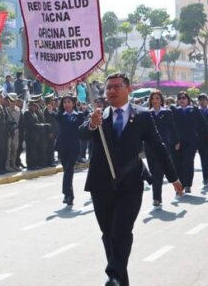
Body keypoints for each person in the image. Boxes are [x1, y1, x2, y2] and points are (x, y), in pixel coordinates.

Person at [81, 73, 183, 286]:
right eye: (108, 87)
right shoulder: (98, 115)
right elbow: (82, 134)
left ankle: (113, 273)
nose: (111, 91)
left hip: (130, 183)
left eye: (117, 86)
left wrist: (173, 177)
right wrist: (91, 124)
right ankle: (119, 280)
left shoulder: (143, 116)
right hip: (101, 184)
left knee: (121, 230)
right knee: (108, 234)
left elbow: (158, 146)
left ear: (128, 89)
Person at [143, 91, 179, 208]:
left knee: (160, 171)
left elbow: (173, 128)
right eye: (153, 99)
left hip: (164, 145)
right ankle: (156, 197)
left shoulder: (167, 112)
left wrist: (176, 141)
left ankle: (159, 196)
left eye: (157, 98)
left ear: (161, 100)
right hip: (149, 147)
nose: (155, 101)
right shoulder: (147, 114)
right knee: (154, 172)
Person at [171, 92, 208, 193]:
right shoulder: (174, 110)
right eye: (179, 98)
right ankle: (181, 185)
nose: (181, 100)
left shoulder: (194, 110)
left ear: (188, 100)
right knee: (178, 164)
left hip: (191, 141)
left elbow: (203, 122)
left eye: (184, 98)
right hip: (177, 142)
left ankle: (188, 184)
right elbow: (170, 126)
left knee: (188, 162)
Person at [55, 95, 84, 205]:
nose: (66, 104)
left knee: (68, 169)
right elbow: (55, 116)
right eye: (64, 102)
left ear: (73, 104)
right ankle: (69, 195)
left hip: (74, 147)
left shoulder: (79, 115)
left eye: (69, 102)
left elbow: (83, 126)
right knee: (67, 171)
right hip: (62, 146)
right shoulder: (60, 115)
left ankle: (66, 193)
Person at [4, 93, 22, 172]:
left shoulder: (18, 109)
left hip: (16, 132)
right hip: (8, 133)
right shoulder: (6, 109)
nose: (13, 102)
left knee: (15, 149)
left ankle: (13, 164)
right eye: (12, 100)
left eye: (15, 100)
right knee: (8, 150)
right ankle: (7, 165)